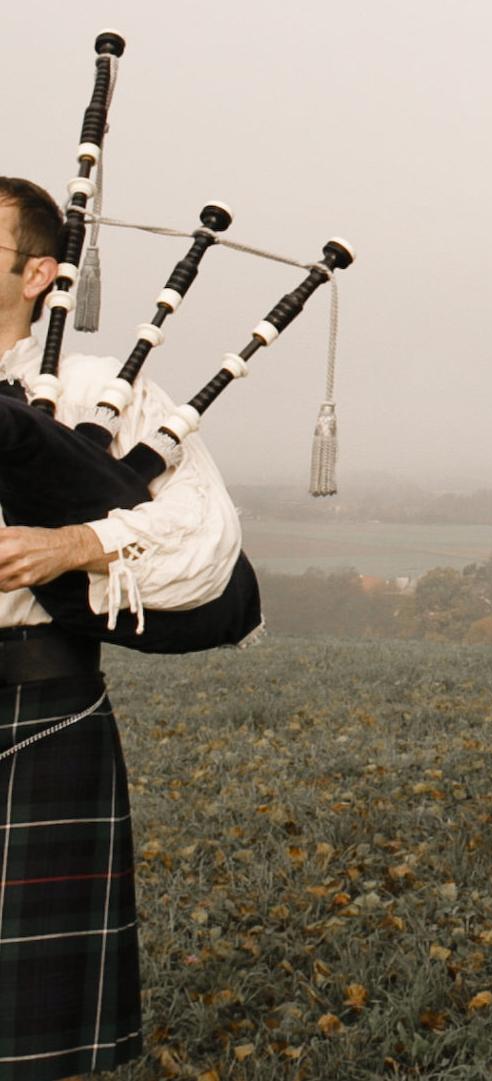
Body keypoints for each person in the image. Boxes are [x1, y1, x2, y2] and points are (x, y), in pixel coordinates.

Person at [0, 177, 242, 1079]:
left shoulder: (104, 392)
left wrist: (78, 542)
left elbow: (207, 543)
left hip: (38, 713)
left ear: (40, 274)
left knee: (29, 1040)